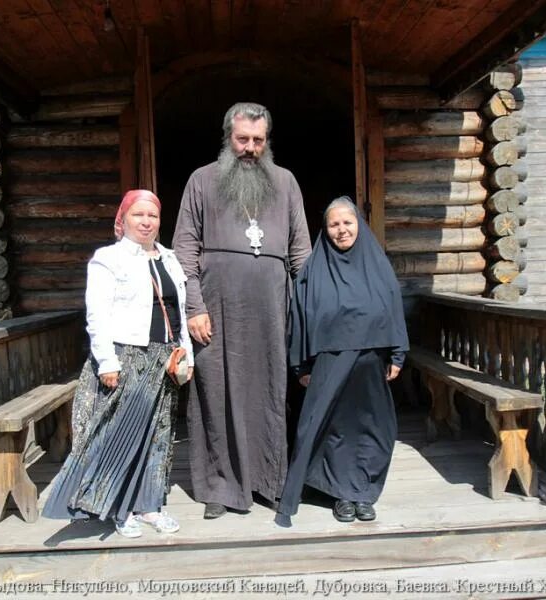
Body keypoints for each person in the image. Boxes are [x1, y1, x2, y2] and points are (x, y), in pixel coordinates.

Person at [173, 102, 312, 519]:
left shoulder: (285, 182)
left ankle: (267, 481)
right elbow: (184, 248)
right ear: (227, 138)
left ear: (267, 141)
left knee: (269, 391)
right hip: (216, 306)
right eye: (242, 140)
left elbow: (301, 251)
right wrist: (194, 306)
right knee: (216, 392)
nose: (250, 148)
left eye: (258, 140)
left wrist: (305, 312)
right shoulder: (202, 180)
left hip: (272, 309)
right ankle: (220, 487)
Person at [42, 189, 194, 538]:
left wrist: (185, 350)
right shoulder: (108, 259)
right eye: (138, 215)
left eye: (152, 215)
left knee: (158, 436)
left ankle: (149, 506)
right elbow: (97, 315)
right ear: (122, 220)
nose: (146, 221)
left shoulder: (169, 258)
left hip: (164, 359)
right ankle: (118, 509)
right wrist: (107, 362)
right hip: (128, 357)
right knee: (122, 435)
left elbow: (178, 311)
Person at [275, 197, 409, 527]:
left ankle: (363, 491)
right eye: (334, 224)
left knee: (371, 427)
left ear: (359, 225)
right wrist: (301, 367)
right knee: (334, 427)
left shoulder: (377, 264)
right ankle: (341, 494)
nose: (341, 230)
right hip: (329, 363)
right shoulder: (313, 270)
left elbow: (393, 307)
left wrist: (397, 354)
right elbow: (300, 318)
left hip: (370, 361)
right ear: (326, 230)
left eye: (347, 223)